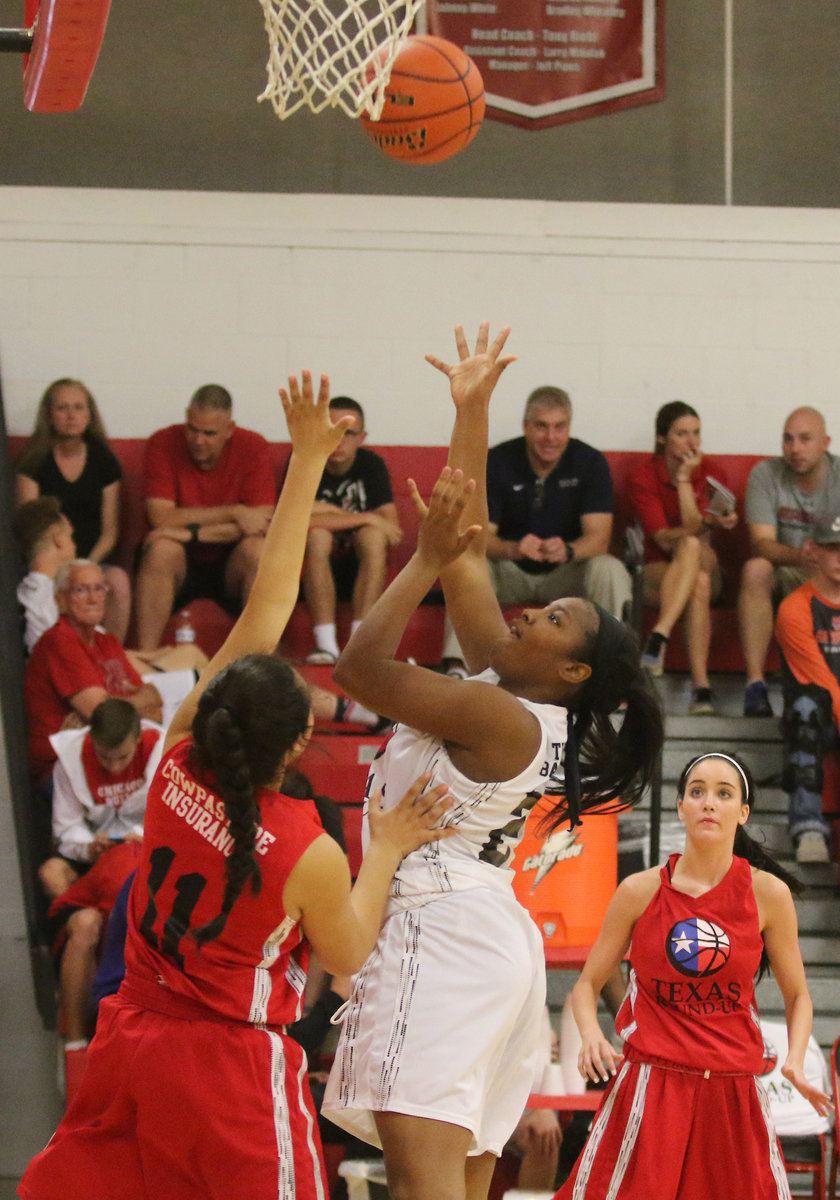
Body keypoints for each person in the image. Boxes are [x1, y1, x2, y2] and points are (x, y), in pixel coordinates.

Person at [19, 370, 453, 1200]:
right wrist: (390, 843)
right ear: (299, 744)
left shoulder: (173, 761)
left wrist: (303, 462)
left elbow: (261, 613)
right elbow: (348, 953)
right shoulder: (305, 848)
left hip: (133, 1035)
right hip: (229, 1065)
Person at [321, 324, 663, 1200]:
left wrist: (419, 562)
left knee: (423, 1186)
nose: (530, 613)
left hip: (441, 935)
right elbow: (471, 547)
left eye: (554, 620)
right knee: (461, 1186)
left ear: (573, 672)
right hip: (483, 937)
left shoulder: (496, 712)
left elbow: (357, 670)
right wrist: (472, 410)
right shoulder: (512, 692)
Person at [554, 751, 832, 1200]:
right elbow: (587, 984)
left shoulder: (769, 894)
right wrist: (591, 1036)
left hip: (733, 1089)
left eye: (724, 794)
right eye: (697, 791)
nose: (709, 803)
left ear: (743, 812)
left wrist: (795, 1061)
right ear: (681, 806)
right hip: (652, 1084)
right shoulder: (638, 890)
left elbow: (798, 995)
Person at [441, 383, 631, 674]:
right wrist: (513, 549)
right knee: (466, 563)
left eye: (559, 427)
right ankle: (458, 668)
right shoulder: (498, 461)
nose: (551, 437)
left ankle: (614, 669)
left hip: (567, 574)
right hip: (509, 572)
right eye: (541, 426)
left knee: (609, 568)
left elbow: (599, 539)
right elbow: (477, 536)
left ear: (569, 427)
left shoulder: (590, 463)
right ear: (526, 426)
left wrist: (568, 550)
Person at [38, 699, 163, 1052]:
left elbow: (172, 816)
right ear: (92, 741)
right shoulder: (71, 758)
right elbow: (66, 829)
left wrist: (142, 837)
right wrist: (89, 847)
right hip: (95, 856)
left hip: (146, 853)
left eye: (121, 758)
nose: (112, 767)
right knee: (52, 874)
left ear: (138, 739)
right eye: (104, 758)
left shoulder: (163, 750)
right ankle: (76, 1039)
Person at [134, 383, 277, 651]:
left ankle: (258, 661)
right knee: (162, 548)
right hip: (179, 561)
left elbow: (262, 524)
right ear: (186, 418)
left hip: (231, 560)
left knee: (258, 551)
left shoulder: (253, 446)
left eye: (209, 433)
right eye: (193, 429)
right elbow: (161, 519)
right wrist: (235, 512)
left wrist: (190, 532)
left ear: (229, 429)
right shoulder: (163, 442)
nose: (198, 440)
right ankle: (146, 658)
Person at [627, 401, 738, 716]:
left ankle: (659, 634)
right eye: (682, 434)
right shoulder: (643, 476)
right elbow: (663, 539)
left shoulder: (712, 472)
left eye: (696, 433)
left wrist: (686, 480)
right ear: (662, 438)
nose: (692, 442)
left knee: (692, 549)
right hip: (660, 569)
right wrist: (705, 522)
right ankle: (701, 688)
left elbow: (696, 536)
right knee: (696, 579)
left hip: (707, 563)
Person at [24, 559, 164, 788]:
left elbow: (156, 710)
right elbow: (103, 715)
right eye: (81, 590)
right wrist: (140, 701)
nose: (93, 598)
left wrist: (131, 703)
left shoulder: (107, 642)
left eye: (99, 588)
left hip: (114, 757)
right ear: (60, 599)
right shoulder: (59, 641)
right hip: (63, 767)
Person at [740, 407, 840, 717]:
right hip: (788, 570)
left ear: (825, 443)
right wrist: (801, 556)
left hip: (834, 573)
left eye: (805, 439)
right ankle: (755, 685)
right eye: (788, 439)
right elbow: (761, 544)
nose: (795, 449)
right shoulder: (765, 474)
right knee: (755, 569)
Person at [15, 378, 131, 642]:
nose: (71, 415)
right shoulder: (33, 461)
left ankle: (112, 656)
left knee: (118, 581)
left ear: (89, 415)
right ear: (49, 415)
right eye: (62, 408)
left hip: (92, 558)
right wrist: (61, 568)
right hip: (48, 561)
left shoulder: (104, 461)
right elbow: (30, 528)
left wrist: (85, 566)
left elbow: (110, 532)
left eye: (78, 407)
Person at [303, 396, 401, 664]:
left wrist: (324, 511)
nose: (338, 440)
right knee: (317, 536)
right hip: (313, 565)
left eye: (347, 433)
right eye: (331, 431)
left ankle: (359, 645)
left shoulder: (371, 464)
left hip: (361, 564)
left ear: (361, 438)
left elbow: (391, 529)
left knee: (373, 537)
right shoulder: (305, 459)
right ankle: (326, 645)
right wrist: (364, 517)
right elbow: (294, 521)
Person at [774, 510, 840, 864]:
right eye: (833, 548)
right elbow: (823, 683)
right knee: (805, 710)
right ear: (814, 550)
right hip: (822, 717)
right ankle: (808, 827)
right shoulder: (795, 608)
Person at [12, 496, 77, 653]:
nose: (75, 546)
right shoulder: (48, 602)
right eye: (70, 536)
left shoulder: (26, 595)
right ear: (59, 540)